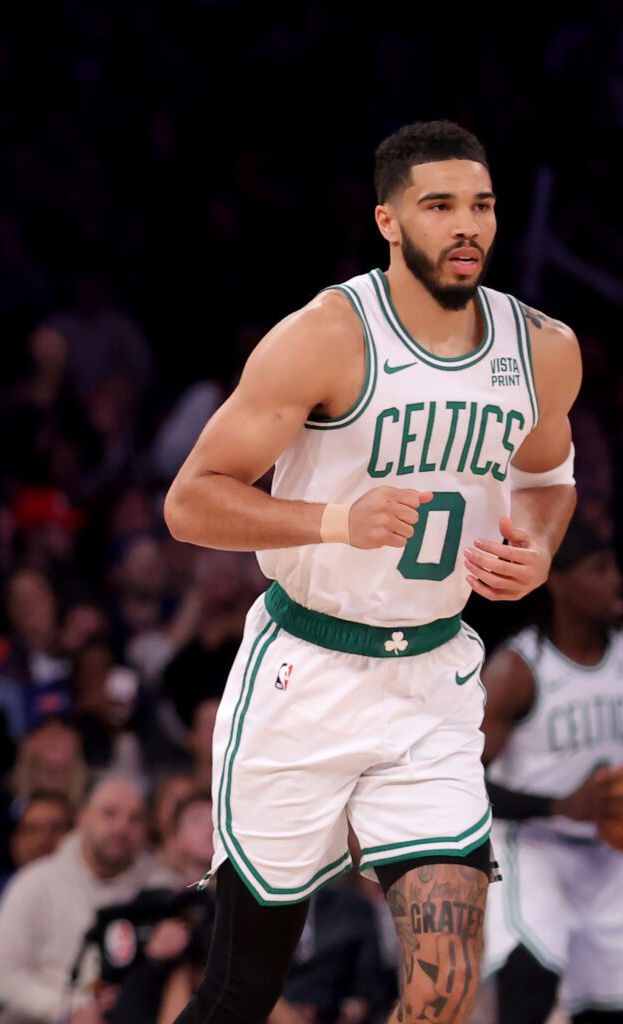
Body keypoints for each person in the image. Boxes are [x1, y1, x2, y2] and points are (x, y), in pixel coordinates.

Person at [163, 120, 582, 1023]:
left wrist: (540, 547)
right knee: (245, 989)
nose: (466, 225)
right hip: (305, 670)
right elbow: (191, 501)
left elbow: (548, 478)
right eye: (440, 206)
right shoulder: (326, 335)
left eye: (482, 206)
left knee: (445, 985)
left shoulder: (541, 348)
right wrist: (335, 521)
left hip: (430, 676)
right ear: (389, 220)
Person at [480, 518, 623, 1023]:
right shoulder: (518, 669)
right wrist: (557, 804)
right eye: (598, 569)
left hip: (607, 852)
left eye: (614, 567)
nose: (614, 580)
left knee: (605, 1005)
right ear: (557, 581)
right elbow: (460, 781)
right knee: (529, 983)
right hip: (530, 844)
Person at [0, 775, 182, 1024]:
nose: (122, 827)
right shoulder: (33, 883)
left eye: (135, 818)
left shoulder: (164, 890)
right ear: (82, 818)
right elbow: (4, 979)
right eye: (109, 814)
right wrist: (69, 1010)